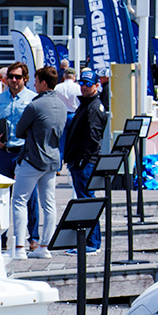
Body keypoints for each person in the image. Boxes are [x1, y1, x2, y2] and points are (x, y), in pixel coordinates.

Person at [13, 66, 66, 260]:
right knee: (49, 204)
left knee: (19, 200)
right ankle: (45, 246)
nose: (33, 84)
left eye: (36, 81)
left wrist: (31, 131)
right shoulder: (61, 105)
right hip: (52, 160)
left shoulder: (34, 105)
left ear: (43, 83)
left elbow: (19, 132)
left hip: (33, 160)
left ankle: (19, 247)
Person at [0, 63, 34, 246]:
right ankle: (3, 237)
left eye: (18, 77)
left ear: (25, 79)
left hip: (25, 152)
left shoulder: (32, 99)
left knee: (28, 197)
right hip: (5, 152)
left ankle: (32, 238)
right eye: (11, 77)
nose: (13, 80)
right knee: (3, 196)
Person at [62, 68, 108, 252]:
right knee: (85, 200)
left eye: (88, 84)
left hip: (84, 163)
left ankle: (92, 242)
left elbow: (93, 139)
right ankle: (90, 241)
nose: (83, 87)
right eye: (81, 83)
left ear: (96, 86)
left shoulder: (94, 107)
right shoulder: (86, 104)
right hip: (80, 161)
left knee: (87, 201)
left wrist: (82, 161)